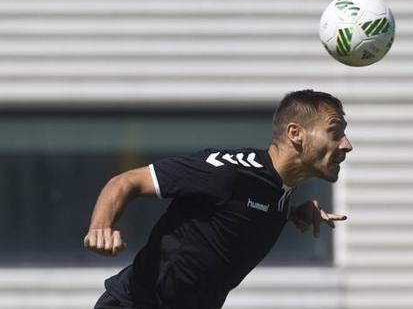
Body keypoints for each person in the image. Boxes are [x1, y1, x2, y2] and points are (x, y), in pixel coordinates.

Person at [84, 89, 353, 309]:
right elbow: (126, 181)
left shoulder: (278, 192)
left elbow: (243, 209)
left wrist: (292, 212)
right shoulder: (227, 171)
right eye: (335, 131)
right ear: (296, 134)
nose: (346, 144)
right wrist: (100, 228)